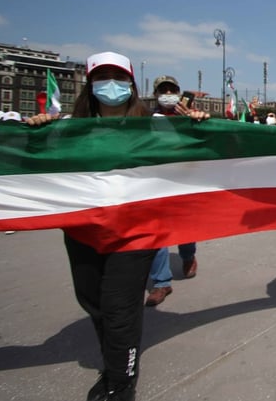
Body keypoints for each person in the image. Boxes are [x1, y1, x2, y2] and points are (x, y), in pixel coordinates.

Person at [25, 52, 156, 401]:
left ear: (131, 84)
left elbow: (199, 153)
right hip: (84, 229)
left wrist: (200, 122)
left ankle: (122, 384)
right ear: (90, 84)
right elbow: (36, 160)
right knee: (93, 301)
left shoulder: (153, 126)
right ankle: (113, 368)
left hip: (135, 231)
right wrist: (37, 132)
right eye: (102, 77)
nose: (111, 85)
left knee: (118, 306)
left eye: (118, 77)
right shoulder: (66, 127)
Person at [145, 75, 208, 306]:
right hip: (155, 181)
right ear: (156, 94)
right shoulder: (145, 119)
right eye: (164, 90)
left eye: (172, 90)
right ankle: (161, 282)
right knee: (157, 231)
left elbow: (204, 138)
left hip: (184, 179)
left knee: (185, 226)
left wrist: (196, 120)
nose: (168, 93)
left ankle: (188, 255)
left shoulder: (188, 116)